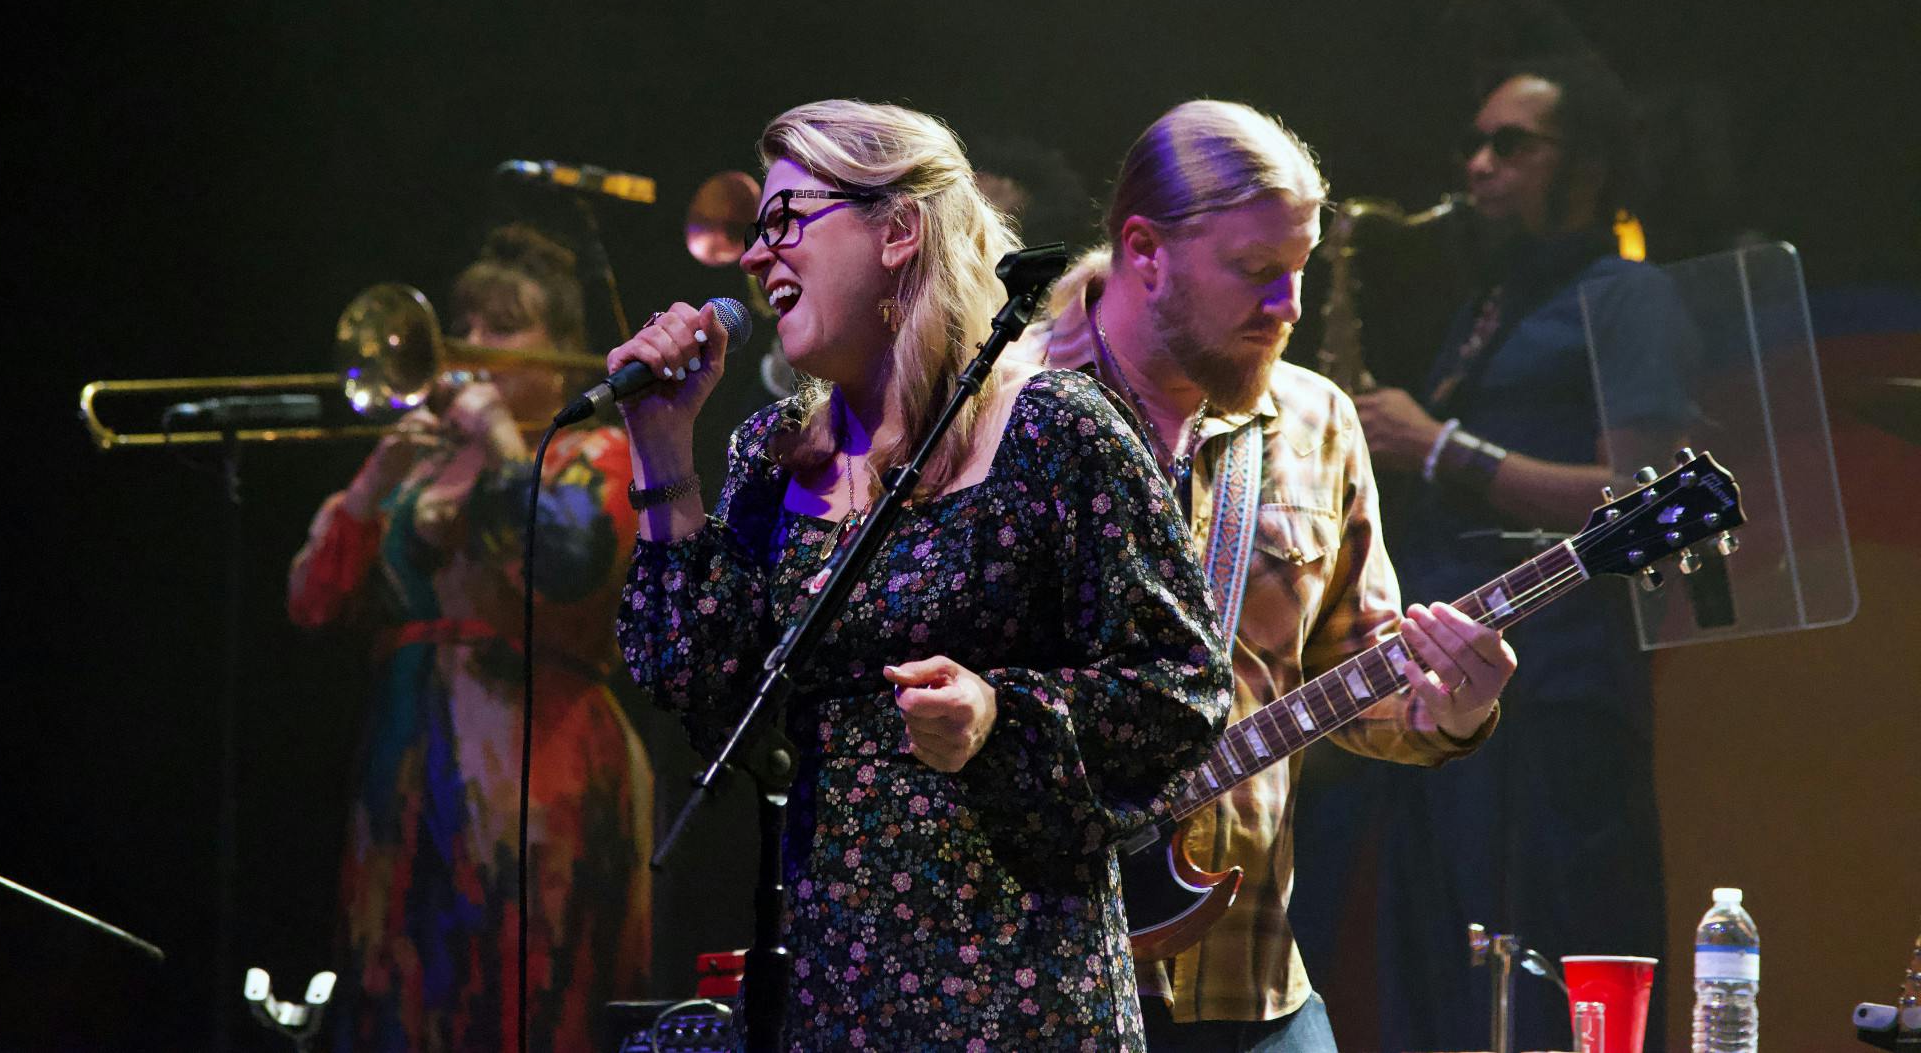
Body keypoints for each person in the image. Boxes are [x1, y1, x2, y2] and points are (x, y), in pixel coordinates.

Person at [614, 99, 1232, 1051]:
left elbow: (1184, 687)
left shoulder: (1056, 429)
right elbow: (692, 678)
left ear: (899, 229)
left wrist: (999, 714)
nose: (752, 257)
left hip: (1023, 993)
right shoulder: (772, 459)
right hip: (829, 990)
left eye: (784, 224)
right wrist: (660, 448)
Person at [1013, 99, 1517, 1052]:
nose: (1289, 306)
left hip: (1249, 983)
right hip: (1034, 983)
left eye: (1300, 271)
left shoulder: (1318, 420)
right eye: (1256, 273)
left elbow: (1356, 664)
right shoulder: (1003, 403)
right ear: (1145, 249)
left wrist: (1447, 705)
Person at [1351, 58, 1685, 1052]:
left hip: (1557, 701)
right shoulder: (1487, 305)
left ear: (1582, 165)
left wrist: (1438, 447)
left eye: (1511, 145)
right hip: (1446, 699)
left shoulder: (1626, 297)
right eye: (1475, 142)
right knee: (1441, 977)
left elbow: (1649, 499)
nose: (1478, 165)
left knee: (1552, 973)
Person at [287, 225, 650, 1053]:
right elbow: (311, 601)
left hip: (538, 765)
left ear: (563, 353)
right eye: (467, 323)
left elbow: (568, 568)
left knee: (525, 985)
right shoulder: (417, 462)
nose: (470, 347)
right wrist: (373, 482)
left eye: (503, 326)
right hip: (407, 763)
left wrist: (499, 445)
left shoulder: (595, 450)